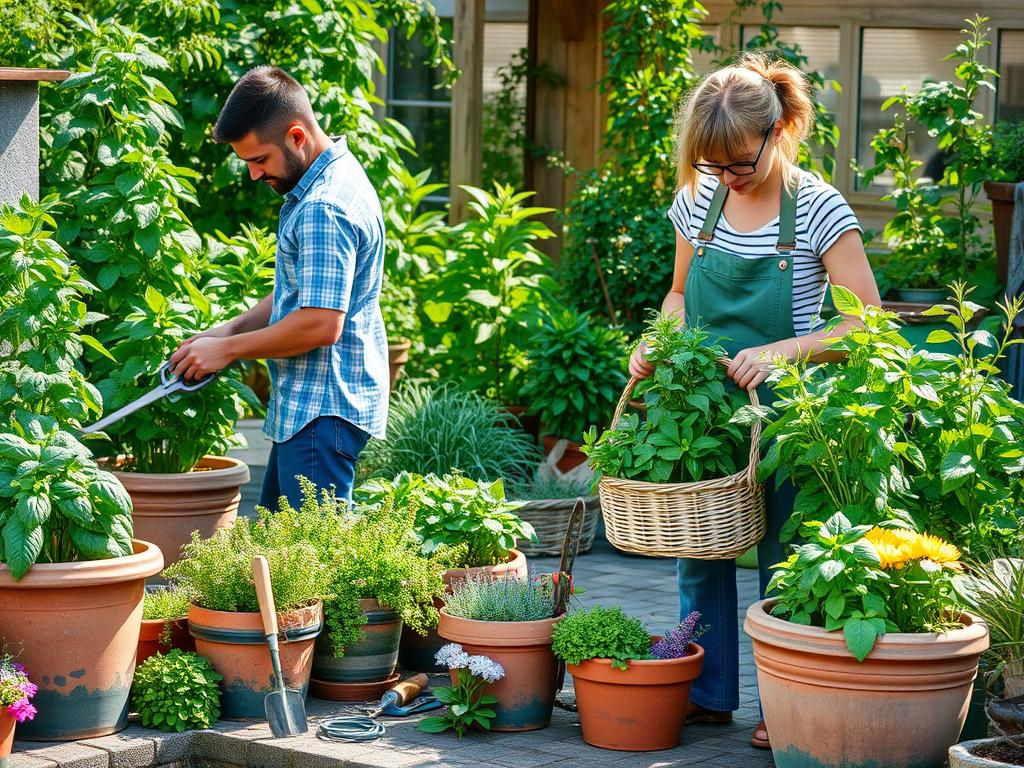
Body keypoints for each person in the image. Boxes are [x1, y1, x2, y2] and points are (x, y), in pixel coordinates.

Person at [628, 52, 881, 750]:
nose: (727, 178)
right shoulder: (698, 200)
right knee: (699, 552)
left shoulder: (820, 208)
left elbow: (866, 324)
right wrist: (655, 345)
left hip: (794, 415)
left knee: (787, 557)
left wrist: (777, 354)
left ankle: (785, 703)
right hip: (709, 412)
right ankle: (707, 696)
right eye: (714, 165)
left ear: (781, 129)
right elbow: (678, 296)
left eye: (740, 163)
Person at [169, 66, 388, 508]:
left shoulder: (324, 209)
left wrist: (228, 351)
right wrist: (226, 332)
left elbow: (319, 324)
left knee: (315, 568)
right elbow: (301, 292)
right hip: (312, 411)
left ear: (296, 136)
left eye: (259, 160)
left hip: (321, 412)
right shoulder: (332, 179)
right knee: (278, 553)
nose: (253, 175)